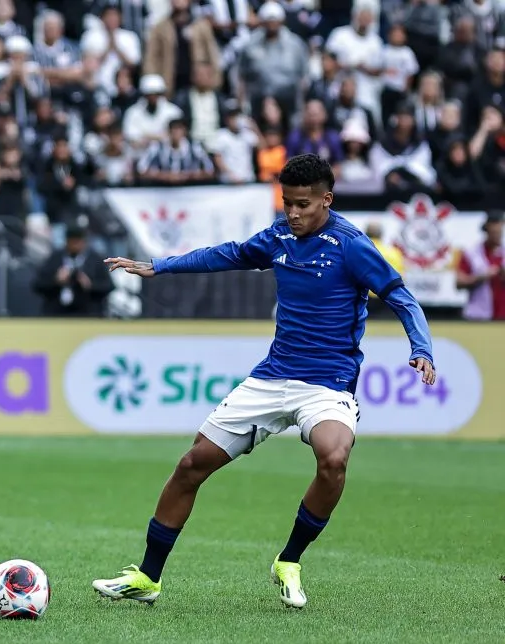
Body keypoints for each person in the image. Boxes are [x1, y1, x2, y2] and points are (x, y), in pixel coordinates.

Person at [93, 153, 436, 609]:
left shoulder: (351, 245)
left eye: (302, 205)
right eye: (287, 203)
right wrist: (161, 266)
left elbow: (402, 297)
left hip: (327, 385)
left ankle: (289, 559)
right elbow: (228, 254)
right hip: (271, 378)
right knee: (192, 465)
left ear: (326, 200)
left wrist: (422, 347)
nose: (292, 213)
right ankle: (147, 577)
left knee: (333, 458)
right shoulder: (279, 236)